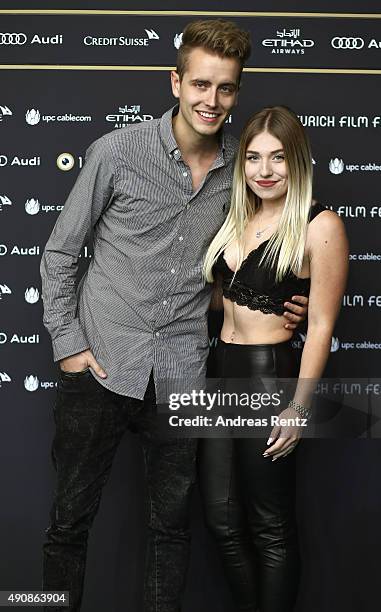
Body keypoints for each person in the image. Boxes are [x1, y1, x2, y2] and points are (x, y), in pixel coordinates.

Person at [40, 20, 308, 612]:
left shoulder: (242, 169)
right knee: (68, 525)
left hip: (183, 372)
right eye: (201, 85)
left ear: (237, 92)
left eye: (227, 88)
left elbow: (259, 255)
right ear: (175, 82)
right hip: (103, 366)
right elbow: (61, 252)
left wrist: (287, 297)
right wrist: (69, 345)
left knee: (171, 531)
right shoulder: (117, 152)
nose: (212, 101)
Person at [199, 106, 349, 612]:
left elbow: (322, 326)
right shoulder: (235, 216)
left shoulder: (319, 225)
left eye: (278, 158)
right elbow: (224, 299)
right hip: (219, 371)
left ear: (298, 162)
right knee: (221, 518)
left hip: (269, 379)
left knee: (269, 522)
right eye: (254, 158)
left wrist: (298, 407)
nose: (265, 171)